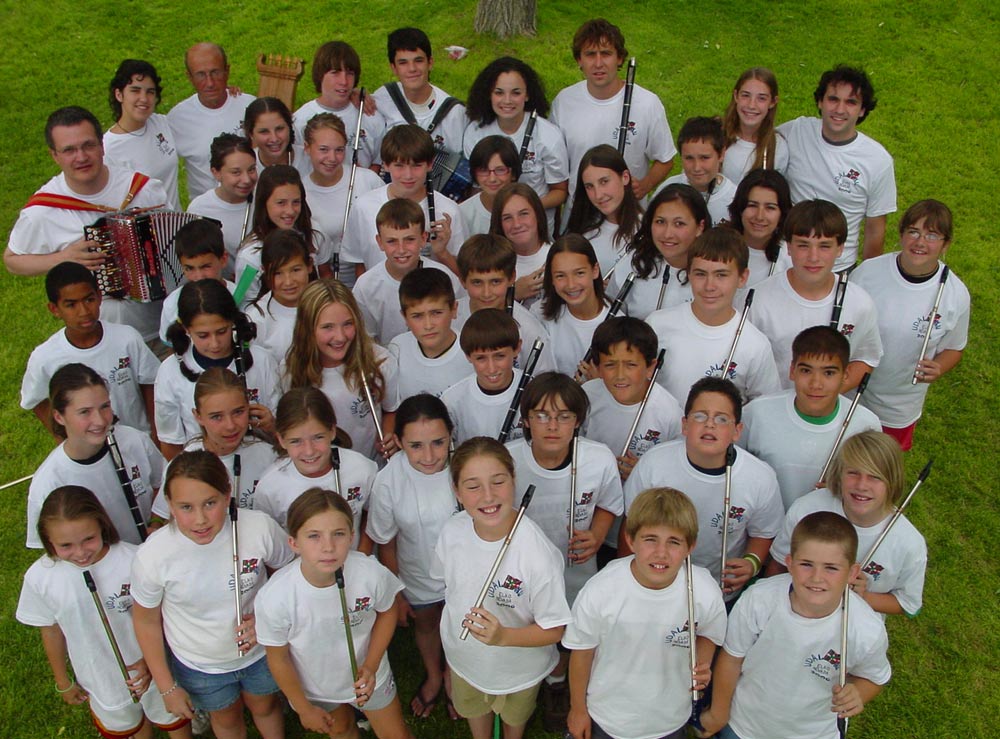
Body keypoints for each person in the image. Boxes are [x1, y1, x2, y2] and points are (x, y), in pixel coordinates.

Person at [131, 450, 294, 739]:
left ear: (228, 493)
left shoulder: (258, 528)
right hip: (200, 664)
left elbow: (289, 574)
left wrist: (266, 618)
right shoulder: (153, 556)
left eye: (210, 503)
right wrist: (167, 686)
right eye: (186, 507)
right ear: (168, 504)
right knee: (227, 719)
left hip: (259, 653)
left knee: (265, 706)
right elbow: (145, 622)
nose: (201, 519)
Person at [695, 511, 891, 739]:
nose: (817, 578)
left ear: (852, 573)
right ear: (789, 563)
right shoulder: (759, 599)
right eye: (807, 564)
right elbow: (731, 659)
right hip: (744, 726)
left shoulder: (867, 629)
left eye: (831, 568)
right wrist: (719, 712)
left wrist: (858, 692)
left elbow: (874, 677)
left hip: (814, 734)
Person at [17, 487, 192, 739]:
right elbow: (51, 630)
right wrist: (63, 681)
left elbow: (165, 616)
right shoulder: (39, 578)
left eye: (88, 539)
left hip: (155, 668)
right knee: (131, 727)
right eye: (65, 545)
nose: (80, 553)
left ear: (102, 525)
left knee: (174, 721)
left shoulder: (135, 560)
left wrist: (150, 663)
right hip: (101, 678)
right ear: (47, 539)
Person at [431, 436, 571, 739]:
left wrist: (504, 636)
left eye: (498, 482)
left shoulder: (538, 554)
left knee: (514, 719)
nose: (488, 496)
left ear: (514, 480)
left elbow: (555, 629)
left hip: (519, 671)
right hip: (464, 660)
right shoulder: (451, 532)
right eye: (472, 486)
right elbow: (450, 591)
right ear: (456, 491)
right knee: (475, 713)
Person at [507, 372, 624, 730]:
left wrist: (597, 534)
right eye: (542, 415)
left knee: (571, 628)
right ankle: (532, 680)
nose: (552, 426)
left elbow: (608, 503)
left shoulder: (599, 459)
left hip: (576, 567)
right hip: (524, 569)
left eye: (563, 416)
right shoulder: (508, 461)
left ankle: (559, 680)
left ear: (578, 421)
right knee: (529, 625)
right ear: (526, 420)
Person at [564, 487, 727, 739]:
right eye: (650, 539)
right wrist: (578, 709)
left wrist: (702, 663)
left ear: (690, 546)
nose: (661, 553)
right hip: (607, 716)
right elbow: (582, 653)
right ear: (630, 540)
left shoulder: (705, 591)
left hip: (670, 718)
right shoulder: (600, 590)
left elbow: (710, 633)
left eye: (674, 542)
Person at [257, 488, 413, 739]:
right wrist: (303, 707)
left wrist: (371, 666)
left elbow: (388, 610)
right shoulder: (275, 597)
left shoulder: (370, 573)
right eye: (314, 536)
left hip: (371, 678)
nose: (328, 547)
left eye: (338, 534)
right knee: (340, 730)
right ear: (293, 542)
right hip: (318, 687)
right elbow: (278, 658)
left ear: (352, 536)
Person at [5, 106, 169, 340]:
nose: (81, 157)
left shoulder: (143, 190)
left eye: (88, 145)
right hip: (97, 335)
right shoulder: (43, 211)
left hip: (160, 328)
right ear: (54, 155)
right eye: (69, 150)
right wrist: (63, 258)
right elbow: (12, 261)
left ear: (102, 145)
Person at [621, 377, 784, 602]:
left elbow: (763, 533)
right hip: (653, 588)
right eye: (700, 416)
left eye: (721, 419)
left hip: (720, 594)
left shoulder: (760, 478)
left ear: (737, 431)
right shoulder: (653, 463)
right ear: (685, 425)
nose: (710, 424)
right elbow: (630, 526)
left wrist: (752, 562)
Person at [366, 395, 460, 720]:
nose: (430, 456)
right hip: (417, 574)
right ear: (399, 442)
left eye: (438, 442)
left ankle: (454, 675)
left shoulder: (465, 467)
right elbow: (386, 541)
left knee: (462, 625)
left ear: (451, 434)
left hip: (466, 575)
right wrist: (398, 593)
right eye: (416, 446)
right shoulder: (389, 481)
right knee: (428, 624)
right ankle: (435, 674)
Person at [767, 431, 927, 619]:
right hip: (794, 612)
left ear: (892, 481)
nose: (861, 485)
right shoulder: (808, 508)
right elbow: (777, 566)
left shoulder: (909, 543)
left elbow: (908, 605)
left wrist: (863, 596)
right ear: (839, 474)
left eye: (874, 476)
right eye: (853, 473)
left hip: (851, 628)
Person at [851, 200, 970, 450]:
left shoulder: (955, 294)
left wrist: (938, 367)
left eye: (932, 235)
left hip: (898, 406)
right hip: (849, 391)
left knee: (879, 471)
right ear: (902, 234)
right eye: (913, 232)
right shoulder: (867, 273)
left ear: (946, 244)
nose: (920, 242)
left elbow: (954, 349)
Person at [740, 326, 881, 510]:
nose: (816, 384)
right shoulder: (756, 414)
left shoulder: (866, 425)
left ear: (845, 375)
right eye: (806, 371)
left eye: (828, 373)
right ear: (792, 371)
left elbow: (874, 489)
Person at [748, 199, 882, 391]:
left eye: (824, 246)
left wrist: (823, 397)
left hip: (829, 416)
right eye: (803, 245)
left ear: (841, 249)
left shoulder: (860, 303)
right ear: (788, 246)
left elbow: (865, 358)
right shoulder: (758, 301)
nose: (813, 257)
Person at [27, 363, 162, 549]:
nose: (99, 420)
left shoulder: (133, 441)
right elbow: (53, 548)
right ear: (59, 416)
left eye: (104, 407)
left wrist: (156, 522)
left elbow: (164, 485)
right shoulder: (49, 481)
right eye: (85, 412)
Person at [551, 18, 675, 217]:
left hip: (628, 215)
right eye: (590, 55)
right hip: (580, 214)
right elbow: (555, 166)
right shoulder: (563, 102)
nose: (598, 63)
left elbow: (665, 159)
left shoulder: (647, 103)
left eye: (606, 54)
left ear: (619, 58)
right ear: (579, 61)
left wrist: (645, 185)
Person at [21, 262, 159, 437]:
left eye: (89, 299)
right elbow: (36, 400)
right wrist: (63, 438)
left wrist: (155, 434)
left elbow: (149, 382)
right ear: (54, 309)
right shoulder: (45, 358)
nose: (84, 311)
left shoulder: (127, 338)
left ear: (100, 297)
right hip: (89, 451)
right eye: (71, 305)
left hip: (138, 439)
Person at [778, 65, 896, 269]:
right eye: (833, 99)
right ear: (820, 102)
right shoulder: (796, 131)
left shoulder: (878, 160)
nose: (840, 110)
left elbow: (875, 229)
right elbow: (756, 141)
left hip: (839, 268)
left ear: (862, 110)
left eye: (851, 102)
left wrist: (867, 276)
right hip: (787, 262)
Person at [646, 226, 781, 404]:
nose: (710, 286)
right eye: (701, 274)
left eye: (721, 275)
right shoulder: (657, 324)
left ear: (742, 278)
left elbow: (765, 407)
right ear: (689, 274)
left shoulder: (756, 345)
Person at [155, 279, 280, 459]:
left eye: (222, 331)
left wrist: (272, 426)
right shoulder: (169, 371)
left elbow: (285, 430)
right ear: (186, 329)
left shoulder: (262, 361)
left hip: (260, 461)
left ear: (232, 322)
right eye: (203, 335)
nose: (214, 344)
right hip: (203, 467)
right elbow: (170, 443)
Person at [284, 279, 400, 462]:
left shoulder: (380, 362)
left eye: (348, 324)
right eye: (327, 327)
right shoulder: (290, 369)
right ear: (307, 329)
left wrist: (387, 433)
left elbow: (391, 409)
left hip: (371, 468)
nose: (340, 336)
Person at [150, 368, 277, 521]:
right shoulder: (182, 465)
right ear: (198, 416)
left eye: (238, 412)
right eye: (217, 417)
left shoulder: (269, 455)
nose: (230, 426)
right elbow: (162, 519)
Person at [254, 387, 376, 547]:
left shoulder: (363, 468)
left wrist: (362, 556)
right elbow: (270, 540)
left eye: (318, 437)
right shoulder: (269, 487)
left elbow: (371, 514)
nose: (309, 451)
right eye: (296, 441)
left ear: (332, 431)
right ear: (281, 440)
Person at [341, 124, 468, 276]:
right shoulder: (363, 206)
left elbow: (466, 278)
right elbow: (359, 265)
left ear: (430, 165)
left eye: (417, 165)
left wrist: (442, 253)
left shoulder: (450, 211)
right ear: (385, 165)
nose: (408, 175)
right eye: (399, 165)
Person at [463, 56, 569, 231]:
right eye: (499, 92)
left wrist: (525, 210)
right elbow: (476, 187)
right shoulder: (475, 133)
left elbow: (560, 191)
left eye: (516, 92)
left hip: (534, 229)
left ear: (527, 94)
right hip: (490, 227)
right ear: (488, 94)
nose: (507, 100)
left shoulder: (548, 135)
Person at [581, 316, 683, 482]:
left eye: (631, 365)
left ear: (650, 367)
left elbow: (677, 468)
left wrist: (646, 473)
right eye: (610, 365)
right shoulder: (587, 397)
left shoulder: (669, 412)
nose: (620, 375)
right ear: (598, 367)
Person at [353, 198, 464, 345]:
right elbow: (366, 340)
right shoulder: (365, 286)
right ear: (380, 242)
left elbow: (459, 324)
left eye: (409, 239)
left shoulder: (444, 276)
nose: (401, 249)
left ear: (424, 238)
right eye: (391, 241)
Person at [452, 233, 556, 373]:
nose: (487, 293)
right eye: (477, 282)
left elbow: (544, 384)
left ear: (512, 277)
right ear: (463, 280)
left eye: (495, 282)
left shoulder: (530, 330)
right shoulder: (449, 320)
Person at [301, 113, 384, 287]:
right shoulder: (300, 193)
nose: (332, 158)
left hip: (373, 280)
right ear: (307, 148)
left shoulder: (367, 180)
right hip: (326, 283)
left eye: (339, 150)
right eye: (323, 150)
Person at [167, 43, 255, 200]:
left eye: (215, 72)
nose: (210, 83)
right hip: (206, 213)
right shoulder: (176, 119)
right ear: (189, 77)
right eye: (201, 75)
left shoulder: (250, 106)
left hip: (253, 205)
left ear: (227, 71)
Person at [609, 183, 707, 319]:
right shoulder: (632, 264)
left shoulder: (713, 272)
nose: (667, 234)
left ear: (699, 227)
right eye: (660, 222)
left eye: (679, 224)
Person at [234, 164, 327, 307]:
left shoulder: (314, 233)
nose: (290, 211)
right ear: (264, 203)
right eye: (281, 203)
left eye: (296, 202)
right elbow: (245, 307)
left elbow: (324, 277)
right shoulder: (249, 256)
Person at [372, 27, 467, 156]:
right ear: (393, 68)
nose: (412, 69)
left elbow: (462, 167)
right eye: (403, 63)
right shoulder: (382, 98)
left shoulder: (454, 113)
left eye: (418, 61)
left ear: (430, 63)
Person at [293, 40, 386, 168]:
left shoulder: (370, 116)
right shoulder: (300, 121)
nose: (344, 81)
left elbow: (378, 162)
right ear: (320, 75)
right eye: (335, 73)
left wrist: (364, 180)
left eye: (350, 73)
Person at [442, 309, 528, 445]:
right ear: (468, 356)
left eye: (500, 356)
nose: (492, 368)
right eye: (481, 358)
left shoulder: (536, 390)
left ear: (517, 348)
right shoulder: (452, 401)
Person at [105, 59, 181, 210]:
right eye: (135, 90)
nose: (144, 99)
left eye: (150, 92)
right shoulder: (108, 149)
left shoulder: (161, 123)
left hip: (180, 227)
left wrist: (229, 95)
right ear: (119, 94)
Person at [533, 234, 610, 378]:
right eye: (560, 276)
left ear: (595, 270)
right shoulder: (538, 314)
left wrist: (597, 384)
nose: (571, 285)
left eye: (579, 273)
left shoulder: (616, 323)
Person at [388, 268, 472, 399]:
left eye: (436, 313)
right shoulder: (398, 348)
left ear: (454, 310)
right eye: (417, 316)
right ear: (404, 317)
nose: (428, 325)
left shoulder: (472, 353)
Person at [565, 145, 643, 275]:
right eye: (589, 186)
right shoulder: (582, 233)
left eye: (604, 181)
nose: (598, 195)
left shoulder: (649, 228)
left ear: (625, 177)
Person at [186, 133, 258, 275]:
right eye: (236, 172)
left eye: (251, 169)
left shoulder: (266, 201)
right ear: (216, 172)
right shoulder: (199, 209)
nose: (246, 179)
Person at [158, 218, 235, 344]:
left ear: (223, 259)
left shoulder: (243, 297)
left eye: (205, 266)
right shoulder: (172, 303)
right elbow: (172, 348)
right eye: (189, 268)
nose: (198, 276)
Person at [246, 229, 314, 366]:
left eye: (295, 270)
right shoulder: (255, 319)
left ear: (309, 266)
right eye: (278, 273)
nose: (288, 281)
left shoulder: (327, 306)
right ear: (264, 271)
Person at [656, 116, 738, 227]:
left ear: (721, 154)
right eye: (689, 158)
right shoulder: (667, 190)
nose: (697, 167)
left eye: (704, 158)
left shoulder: (734, 198)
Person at [727, 168, 792, 290]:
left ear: (782, 213)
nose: (759, 216)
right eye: (752, 205)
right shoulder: (720, 247)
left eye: (770, 208)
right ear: (740, 208)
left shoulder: (791, 257)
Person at [721, 67, 789, 184]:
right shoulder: (716, 135)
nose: (752, 105)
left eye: (761, 98)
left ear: (772, 102)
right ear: (736, 95)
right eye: (746, 95)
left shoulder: (778, 148)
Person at [490, 183, 551, 308]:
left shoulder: (558, 256)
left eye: (523, 214)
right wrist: (514, 294)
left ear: (538, 214)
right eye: (507, 218)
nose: (517, 224)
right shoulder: (491, 263)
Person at [459, 136, 520, 236]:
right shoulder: (462, 213)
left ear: (513, 173)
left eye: (500, 170)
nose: (492, 179)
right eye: (483, 170)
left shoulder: (527, 209)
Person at [244, 97, 308, 175]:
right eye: (264, 131)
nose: (274, 139)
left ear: (289, 127)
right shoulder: (245, 166)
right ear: (251, 134)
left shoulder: (310, 160)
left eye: (279, 129)